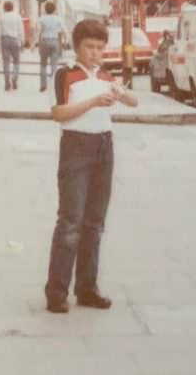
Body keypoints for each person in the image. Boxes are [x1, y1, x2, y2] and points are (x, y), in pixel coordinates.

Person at [44, 19, 138, 314]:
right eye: (89, 47)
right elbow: (59, 113)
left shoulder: (106, 75)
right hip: (76, 147)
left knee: (95, 223)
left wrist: (120, 93)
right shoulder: (65, 75)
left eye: (99, 47)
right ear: (77, 47)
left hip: (103, 147)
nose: (95, 53)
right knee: (70, 221)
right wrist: (94, 101)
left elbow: (134, 102)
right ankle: (57, 291)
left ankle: (87, 286)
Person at [37, 2, 66, 93]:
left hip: (44, 41)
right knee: (54, 65)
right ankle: (54, 85)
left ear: (45, 9)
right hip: (55, 41)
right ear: (54, 9)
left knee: (43, 64)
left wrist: (35, 44)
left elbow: (39, 31)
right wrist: (66, 40)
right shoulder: (58, 19)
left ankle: (43, 85)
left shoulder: (41, 19)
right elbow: (64, 30)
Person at [0, 1, 24, 91]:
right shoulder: (17, 17)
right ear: (13, 7)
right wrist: (22, 42)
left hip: (5, 40)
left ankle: (7, 83)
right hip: (15, 40)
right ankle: (14, 78)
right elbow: (21, 30)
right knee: (16, 61)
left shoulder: (2, 18)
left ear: (4, 8)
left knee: (6, 62)